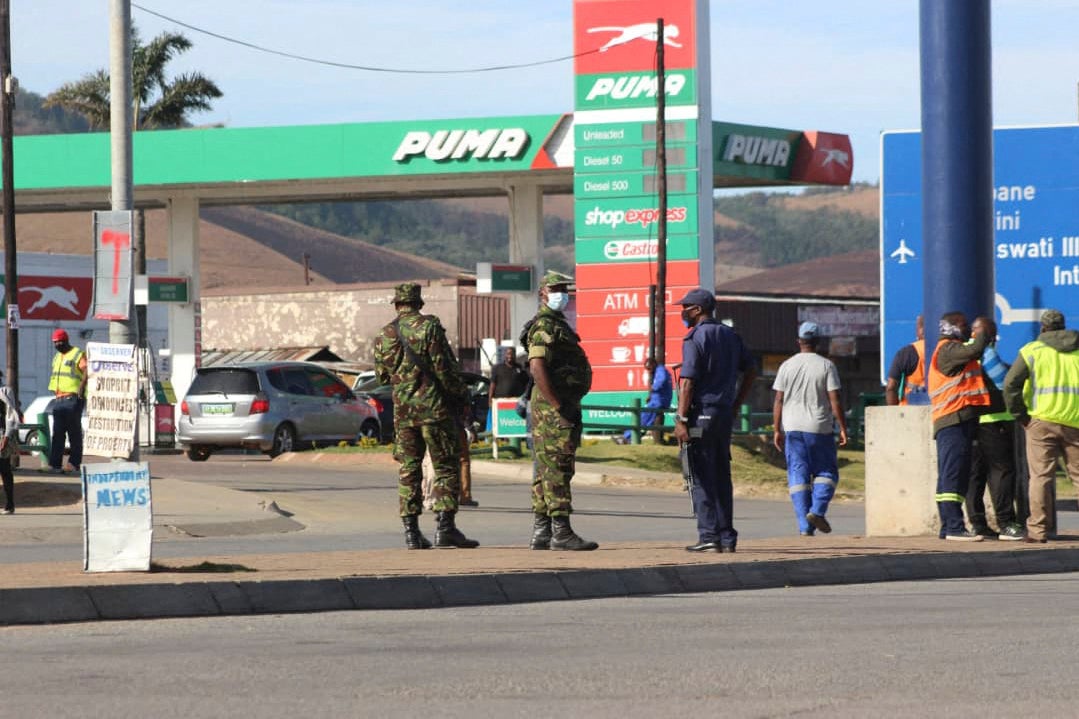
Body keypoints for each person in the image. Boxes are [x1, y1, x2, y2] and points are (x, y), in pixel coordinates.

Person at [374, 282, 478, 550]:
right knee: (445, 466)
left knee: (409, 469)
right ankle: (445, 528)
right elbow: (444, 369)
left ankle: (411, 532)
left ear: (397, 304)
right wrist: (461, 396)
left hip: (403, 413)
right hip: (434, 410)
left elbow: (382, 376)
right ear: (419, 303)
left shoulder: (385, 334)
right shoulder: (429, 327)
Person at [673, 288, 756, 553]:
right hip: (722, 414)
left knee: (699, 475)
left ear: (697, 310)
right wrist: (735, 404)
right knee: (721, 475)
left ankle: (708, 535)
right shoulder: (731, 335)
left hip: (702, 413)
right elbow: (751, 370)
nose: (682, 312)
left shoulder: (696, 337)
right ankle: (726, 537)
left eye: (685, 307)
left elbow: (687, 382)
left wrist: (681, 419)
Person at [526, 270, 597, 551]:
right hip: (553, 410)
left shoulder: (556, 324)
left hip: (557, 407)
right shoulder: (545, 326)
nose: (562, 294)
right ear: (543, 294)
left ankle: (542, 531)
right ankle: (561, 532)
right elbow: (537, 366)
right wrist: (558, 406)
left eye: (564, 289)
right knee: (557, 468)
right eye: (556, 289)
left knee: (546, 469)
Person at [1003, 308, 1079, 544]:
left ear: (1043, 328)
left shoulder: (1032, 351)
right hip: (1076, 422)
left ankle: (1037, 531)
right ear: (1063, 327)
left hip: (1041, 422)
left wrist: (1020, 415)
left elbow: (1010, 384)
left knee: (1040, 478)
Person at [772, 321, 848, 537]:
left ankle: (805, 526)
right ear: (818, 342)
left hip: (793, 428)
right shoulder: (826, 366)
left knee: (798, 475)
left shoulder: (786, 365)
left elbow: (778, 399)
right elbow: (835, 399)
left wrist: (776, 429)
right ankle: (817, 510)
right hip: (819, 427)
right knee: (826, 472)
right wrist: (843, 427)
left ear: (799, 341)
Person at [928, 311, 991, 541]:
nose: (967, 331)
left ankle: (949, 527)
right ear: (953, 327)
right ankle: (954, 527)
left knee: (950, 475)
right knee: (953, 474)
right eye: (964, 326)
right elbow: (975, 349)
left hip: (957, 420)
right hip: (953, 419)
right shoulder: (948, 349)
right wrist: (983, 331)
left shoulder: (951, 350)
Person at [965, 316, 1024, 540]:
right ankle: (1006, 522)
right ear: (987, 334)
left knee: (975, 475)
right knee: (1002, 471)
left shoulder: (961, 353)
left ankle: (978, 524)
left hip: (969, 420)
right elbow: (1003, 382)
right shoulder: (985, 351)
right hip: (994, 420)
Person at [47, 328, 87, 475]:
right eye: (54, 342)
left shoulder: (77, 353)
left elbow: (87, 370)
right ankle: (55, 464)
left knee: (73, 433)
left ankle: (73, 463)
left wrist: (81, 388)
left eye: (59, 342)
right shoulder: (57, 357)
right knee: (57, 433)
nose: (57, 345)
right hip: (59, 399)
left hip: (72, 398)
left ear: (66, 341)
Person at [619, 357, 673, 444]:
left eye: (649, 368)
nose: (648, 371)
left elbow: (661, 381)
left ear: (653, 364)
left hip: (658, 402)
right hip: (657, 401)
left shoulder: (660, 370)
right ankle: (628, 437)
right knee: (644, 419)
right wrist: (651, 395)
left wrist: (653, 388)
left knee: (642, 419)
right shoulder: (659, 371)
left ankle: (626, 438)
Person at [885, 315, 928, 405]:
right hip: (940, 409)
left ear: (921, 331)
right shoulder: (945, 348)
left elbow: (891, 387)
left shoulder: (906, 352)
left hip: (910, 410)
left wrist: (894, 413)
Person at [0, 372, 19, 514]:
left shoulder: (5, 392)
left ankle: (10, 503)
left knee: (4, 469)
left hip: (2, 435)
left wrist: (6, 437)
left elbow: (11, 416)